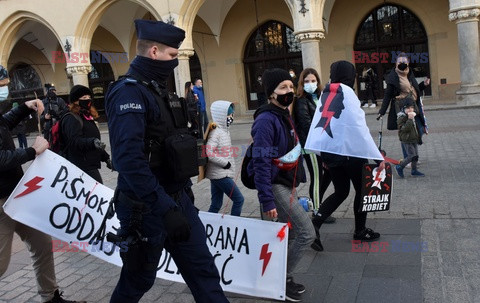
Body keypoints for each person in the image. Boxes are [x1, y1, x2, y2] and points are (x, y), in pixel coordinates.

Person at [105, 20, 229, 303]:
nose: (176, 62)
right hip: (144, 207)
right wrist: (163, 208)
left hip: (177, 200)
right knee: (138, 280)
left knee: (203, 270)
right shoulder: (129, 92)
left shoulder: (159, 90)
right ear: (155, 52)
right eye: (173, 56)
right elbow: (128, 160)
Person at [0, 65, 85, 303]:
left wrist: (23, 108)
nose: (5, 90)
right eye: (2, 86)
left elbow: (3, 123)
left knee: (42, 243)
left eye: (6, 86)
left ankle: (50, 296)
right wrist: (31, 151)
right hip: (1, 202)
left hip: (18, 194)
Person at [247, 68, 315, 302]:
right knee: (307, 232)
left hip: (285, 183)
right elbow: (261, 162)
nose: (288, 91)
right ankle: (278, 278)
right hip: (274, 186)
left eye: (290, 86)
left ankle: (278, 278)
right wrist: (267, 199)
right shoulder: (267, 120)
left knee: (289, 234)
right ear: (271, 93)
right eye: (282, 88)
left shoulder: (283, 114)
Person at [306, 61, 385, 251]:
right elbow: (359, 128)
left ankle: (315, 224)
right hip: (351, 153)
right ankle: (360, 230)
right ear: (350, 75)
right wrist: (377, 157)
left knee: (341, 191)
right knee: (362, 190)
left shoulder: (326, 91)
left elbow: (320, 125)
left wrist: (323, 155)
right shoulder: (348, 93)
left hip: (332, 153)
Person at [292, 68, 336, 238]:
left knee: (329, 173)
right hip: (310, 145)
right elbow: (306, 123)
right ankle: (317, 211)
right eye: (307, 81)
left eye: (313, 80)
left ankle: (319, 203)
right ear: (302, 83)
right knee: (317, 176)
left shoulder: (320, 97)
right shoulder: (302, 101)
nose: (310, 84)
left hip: (323, 143)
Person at [377, 53, 430, 159]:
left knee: (418, 130)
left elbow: (413, 90)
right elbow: (387, 96)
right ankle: (409, 158)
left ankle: (412, 156)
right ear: (396, 63)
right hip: (402, 108)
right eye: (399, 61)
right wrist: (382, 111)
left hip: (414, 106)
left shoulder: (409, 73)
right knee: (406, 134)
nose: (402, 63)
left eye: (404, 61)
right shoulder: (393, 77)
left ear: (408, 63)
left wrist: (423, 85)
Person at [61, 85, 111, 183]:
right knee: (98, 194)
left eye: (89, 97)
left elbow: (93, 141)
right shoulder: (71, 118)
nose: (87, 100)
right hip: (80, 166)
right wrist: (93, 142)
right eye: (84, 98)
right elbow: (74, 141)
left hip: (90, 164)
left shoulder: (86, 116)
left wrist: (106, 158)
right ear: (75, 101)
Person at [205, 101, 244, 216]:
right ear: (221, 116)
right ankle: (234, 225)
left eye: (232, 115)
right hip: (220, 174)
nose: (231, 118)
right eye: (229, 115)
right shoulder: (216, 133)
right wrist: (225, 163)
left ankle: (208, 225)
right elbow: (208, 151)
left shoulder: (224, 131)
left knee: (216, 204)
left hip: (218, 174)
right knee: (239, 199)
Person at [395, 98, 425, 178]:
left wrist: (419, 138)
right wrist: (410, 119)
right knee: (411, 155)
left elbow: (415, 128)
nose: (410, 110)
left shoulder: (413, 115)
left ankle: (414, 170)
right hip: (406, 139)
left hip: (413, 138)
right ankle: (399, 167)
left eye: (411, 107)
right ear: (403, 109)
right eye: (408, 108)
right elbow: (404, 129)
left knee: (415, 156)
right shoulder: (401, 117)